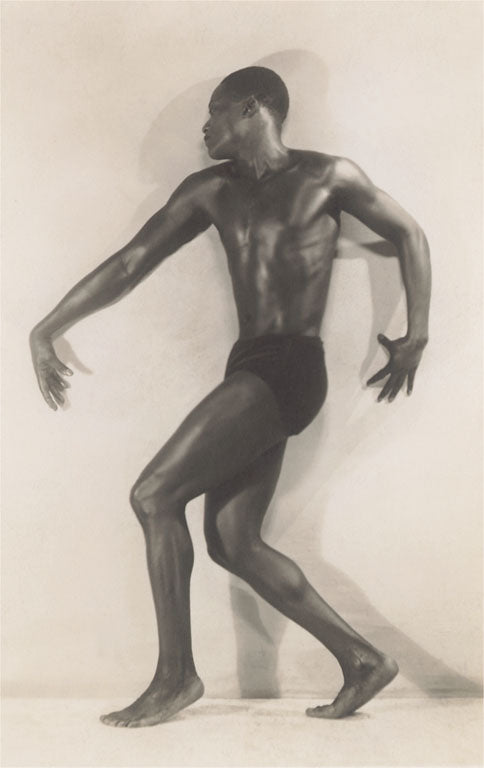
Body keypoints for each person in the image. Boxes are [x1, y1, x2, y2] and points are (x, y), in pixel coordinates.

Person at [30, 66, 431, 727]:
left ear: (252, 109)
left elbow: (409, 233)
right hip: (249, 367)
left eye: (215, 111)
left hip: (289, 368)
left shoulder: (328, 176)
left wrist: (416, 334)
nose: (205, 126)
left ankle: (175, 677)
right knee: (232, 540)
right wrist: (48, 326)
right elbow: (130, 263)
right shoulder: (211, 191)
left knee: (154, 495)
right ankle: (363, 660)